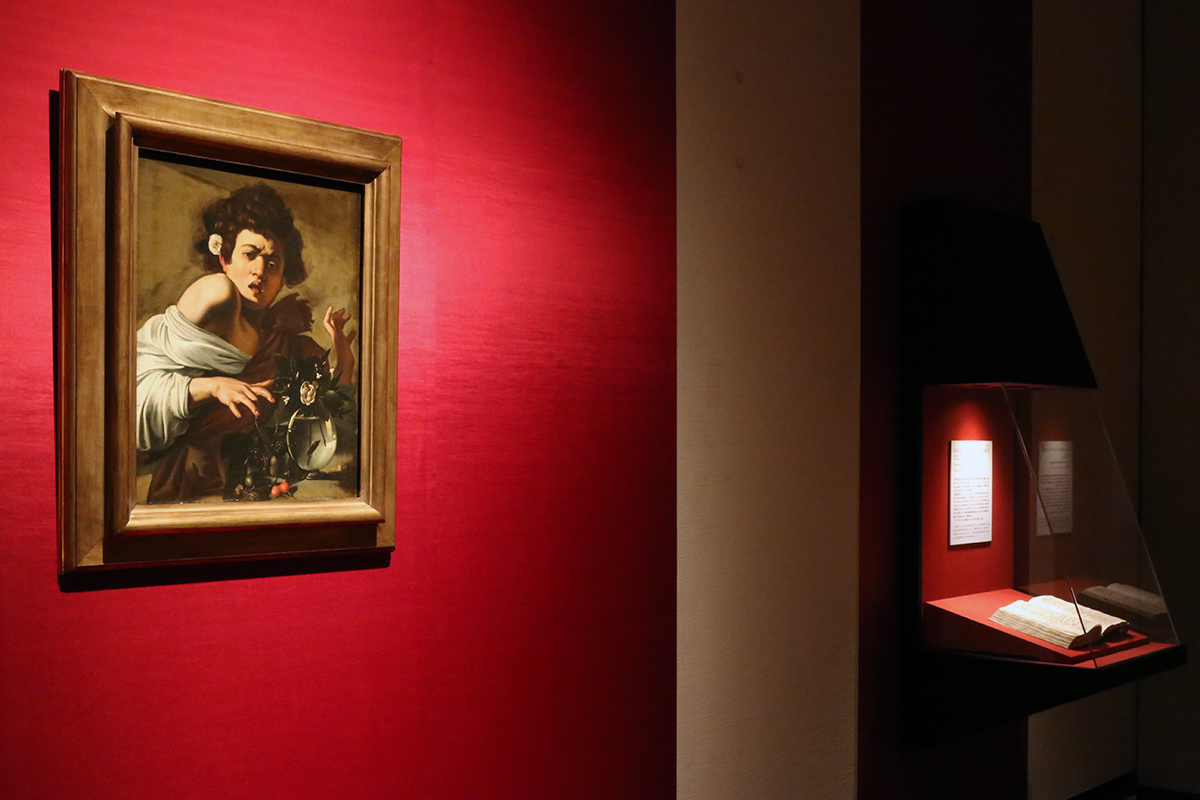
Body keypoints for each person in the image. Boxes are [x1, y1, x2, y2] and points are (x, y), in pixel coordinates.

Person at [135, 182, 355, 502]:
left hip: (248, 479)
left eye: (273, 263)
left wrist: (345, 358)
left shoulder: (281, 341)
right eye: (250, 254)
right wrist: (213, 387)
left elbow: (330, 414)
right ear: (225, 259)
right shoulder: (217, 293)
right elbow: (135, 399)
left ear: (283, 278)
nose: (260, 270)